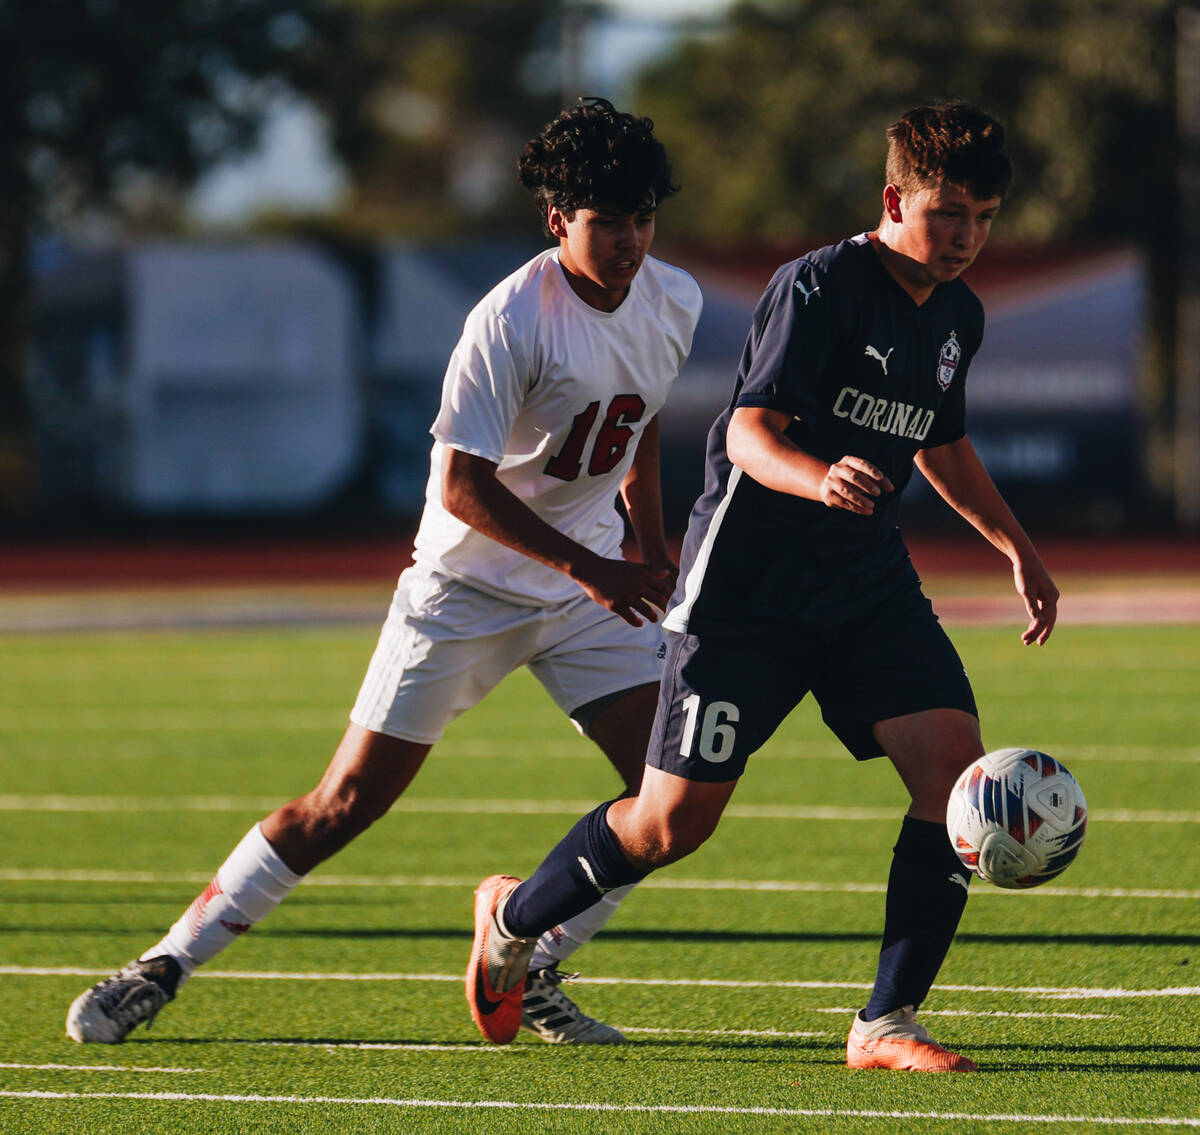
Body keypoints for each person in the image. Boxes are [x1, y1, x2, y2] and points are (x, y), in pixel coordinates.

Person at [67, 97, 703, 1047]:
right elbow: (458, 486)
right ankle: (161, 963)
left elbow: (641, 420)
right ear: (556, 218)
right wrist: (594, 566)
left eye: (643, 216)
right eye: (607, 220)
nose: (629, 240)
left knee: (676, 800)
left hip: (587, 588)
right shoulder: (510, 319)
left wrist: (646, 550)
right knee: (344, 803)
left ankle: (527, 946)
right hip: (468, 588)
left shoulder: (674, 297)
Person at [467, 101, 1059, 1071]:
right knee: (669, 825)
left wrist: (1015, 547)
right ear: (893, 199)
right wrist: (819, 475)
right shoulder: (819, 285)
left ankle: (886, 1022)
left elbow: (940, 439)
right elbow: (747, 431)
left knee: (954, 772)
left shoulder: (959, 314)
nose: (966, 237)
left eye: (985, 217)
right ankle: (514, 914)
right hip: (749, 590)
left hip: (866, 584)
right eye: (948, 211)